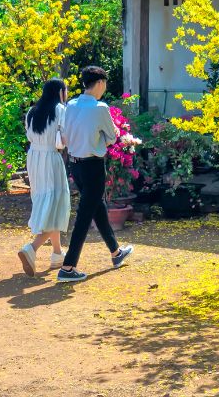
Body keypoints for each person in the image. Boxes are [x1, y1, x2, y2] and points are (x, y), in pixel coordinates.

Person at [56, 66, 133, 283]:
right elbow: (110, 138)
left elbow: (65, 133)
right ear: (100, 83)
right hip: (93, 166)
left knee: (96, 208)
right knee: (84, 215)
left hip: (75, 165)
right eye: (105, 83)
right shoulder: (100, 108)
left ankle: (116, 253)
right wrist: (115, 133)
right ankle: (68, 267)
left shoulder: (70, 105)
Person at [17, 78, 71, 276]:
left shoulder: (32, 112)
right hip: (50, 157)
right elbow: (63, 140)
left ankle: (57, 254)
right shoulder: (60, 110)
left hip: (34, 158)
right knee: (56, 201)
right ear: (59, 92)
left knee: (46, 200)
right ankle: (32, 248)